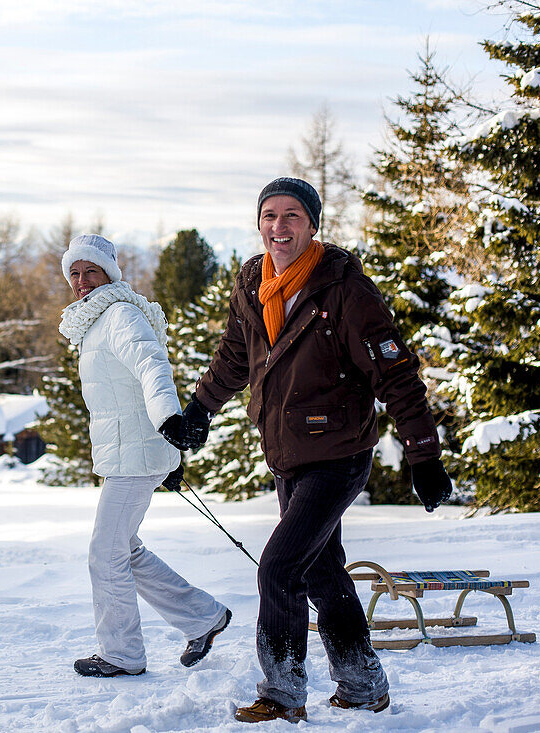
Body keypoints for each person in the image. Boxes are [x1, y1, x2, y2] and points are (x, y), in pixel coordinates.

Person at [171, 178, 453, 723]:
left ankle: (282, 692)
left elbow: (396, 374)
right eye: (270, 215)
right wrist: (200, 411)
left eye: (292, 215)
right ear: (258, 223)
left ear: (312, 224)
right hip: (287, 453)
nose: (279, 227)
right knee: (322, 573)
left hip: (339, 455)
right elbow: (235, 355)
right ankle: (363, 684)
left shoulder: (343, 289)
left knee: (278, 567)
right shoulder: (254, 280)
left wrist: (424, 455)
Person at [58, 233, 232, 678]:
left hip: (135, 453)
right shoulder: (96, 320)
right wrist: (165, 452)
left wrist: (169, 423)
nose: (81, 281)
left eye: (90, 271)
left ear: (109, 274)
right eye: (74, 273)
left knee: (105, 552)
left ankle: (122, 654)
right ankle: (202, 617)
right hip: (129, 452)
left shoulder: (119, 314)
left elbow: (150, 364)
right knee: (124, 548)